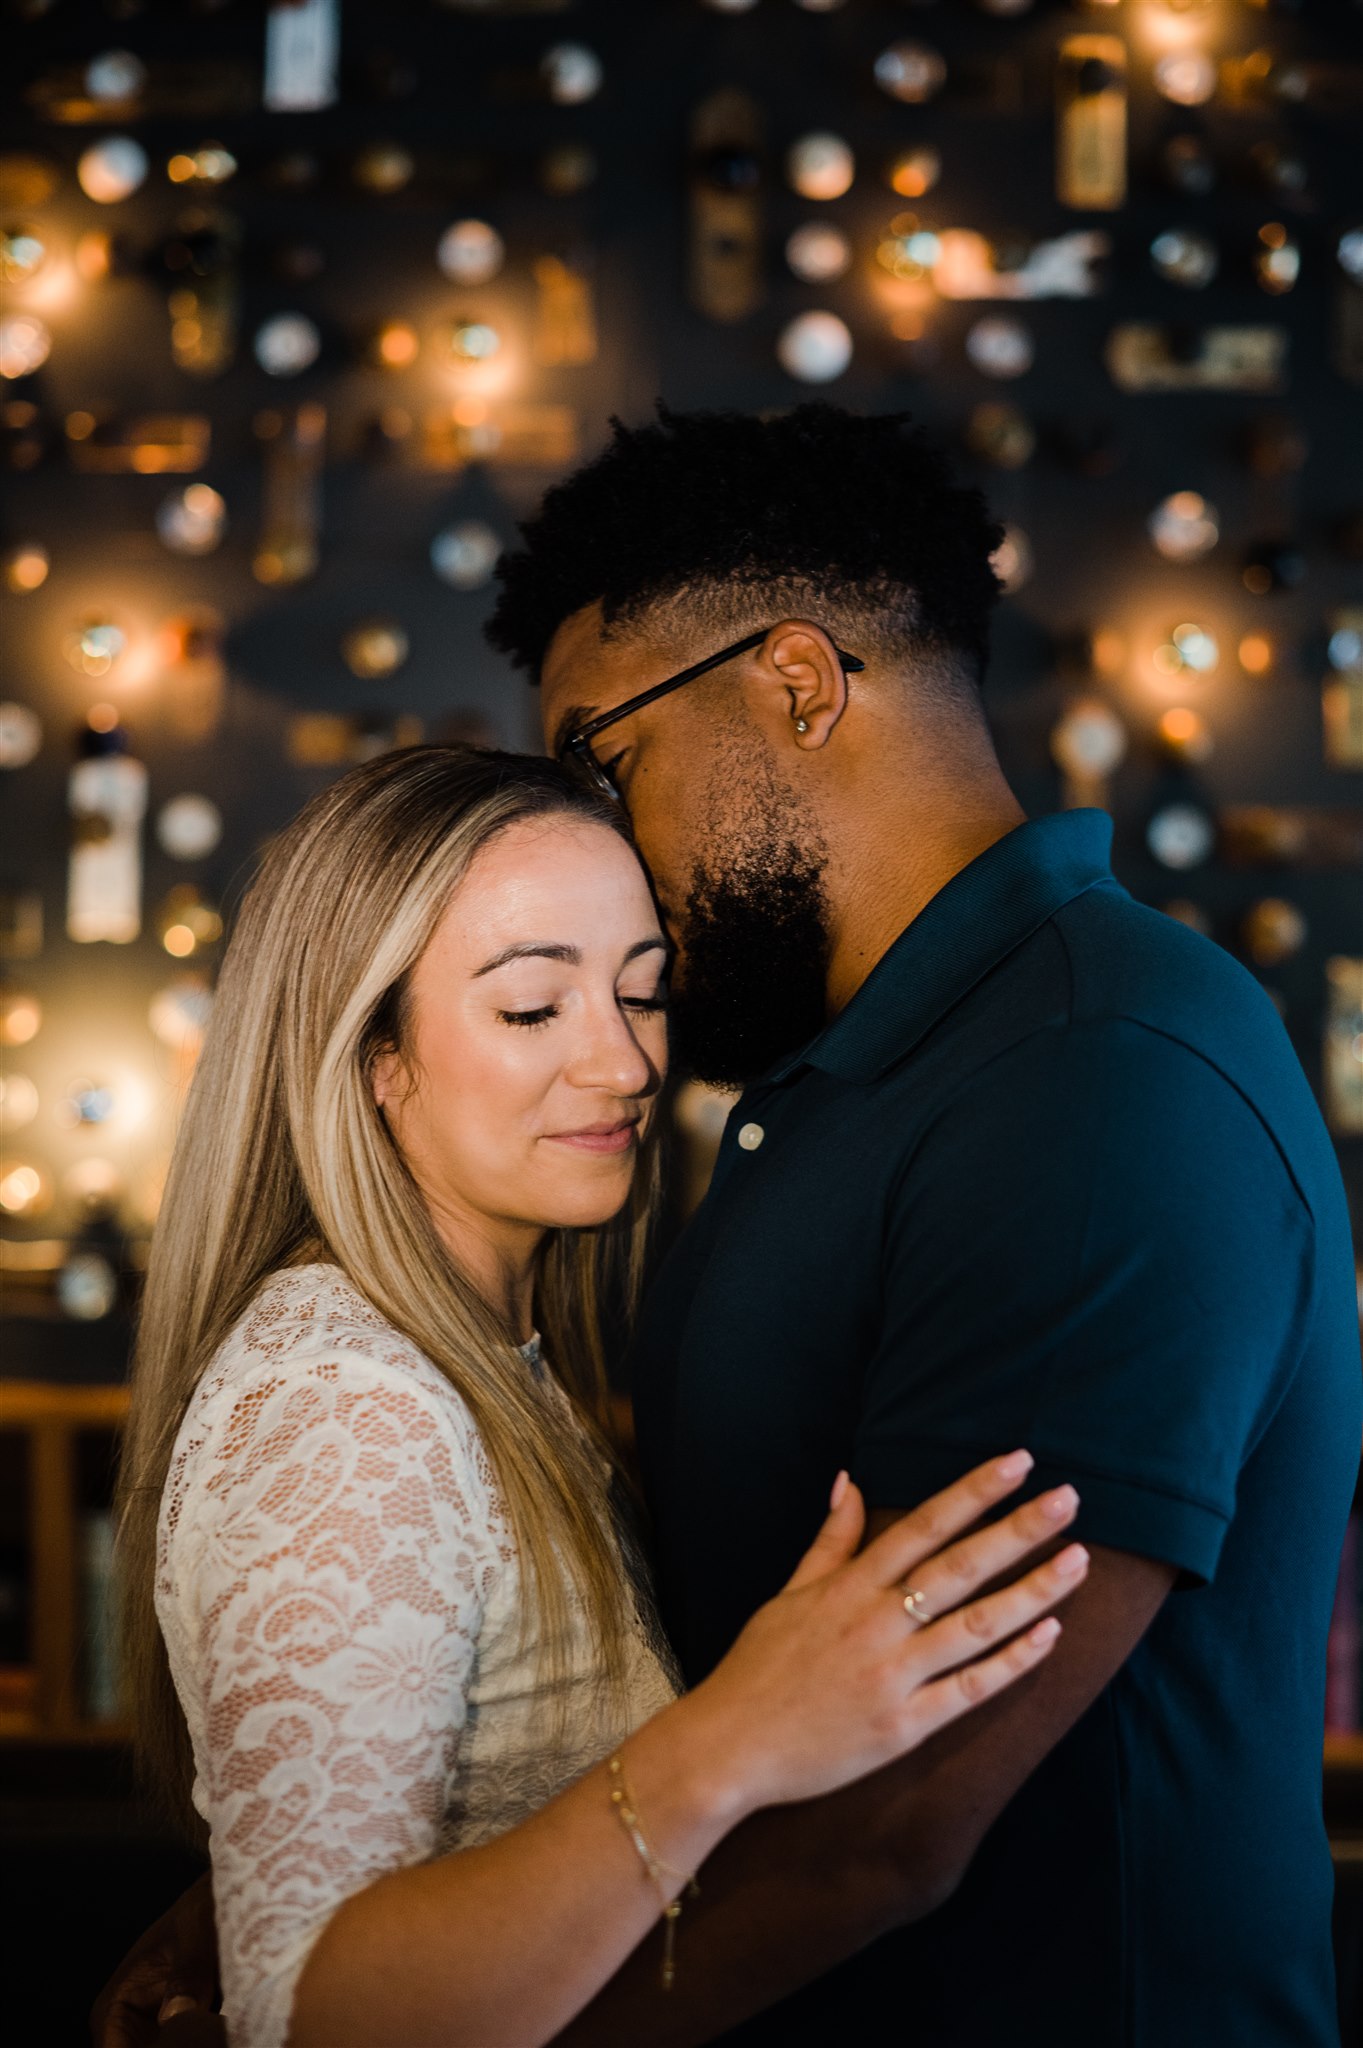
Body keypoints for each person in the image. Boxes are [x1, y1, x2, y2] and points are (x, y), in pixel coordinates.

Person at [101, 404, 1361, 2046]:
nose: (602, 837)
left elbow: (887, 1822)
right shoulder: (832, 1081)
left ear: (796, 682)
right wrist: (314, 1881)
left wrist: (370, 2013)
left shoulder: (1097, 1072)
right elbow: (710, 1661)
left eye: (603, 759)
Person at [107, 744, 1085, 2048]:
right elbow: (319, 2021)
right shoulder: (350, 1409)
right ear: (371, 1053)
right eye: (532, 1009)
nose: (624, 1064)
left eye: (643, 993)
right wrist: (737, 1734)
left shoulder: (483, 1367)